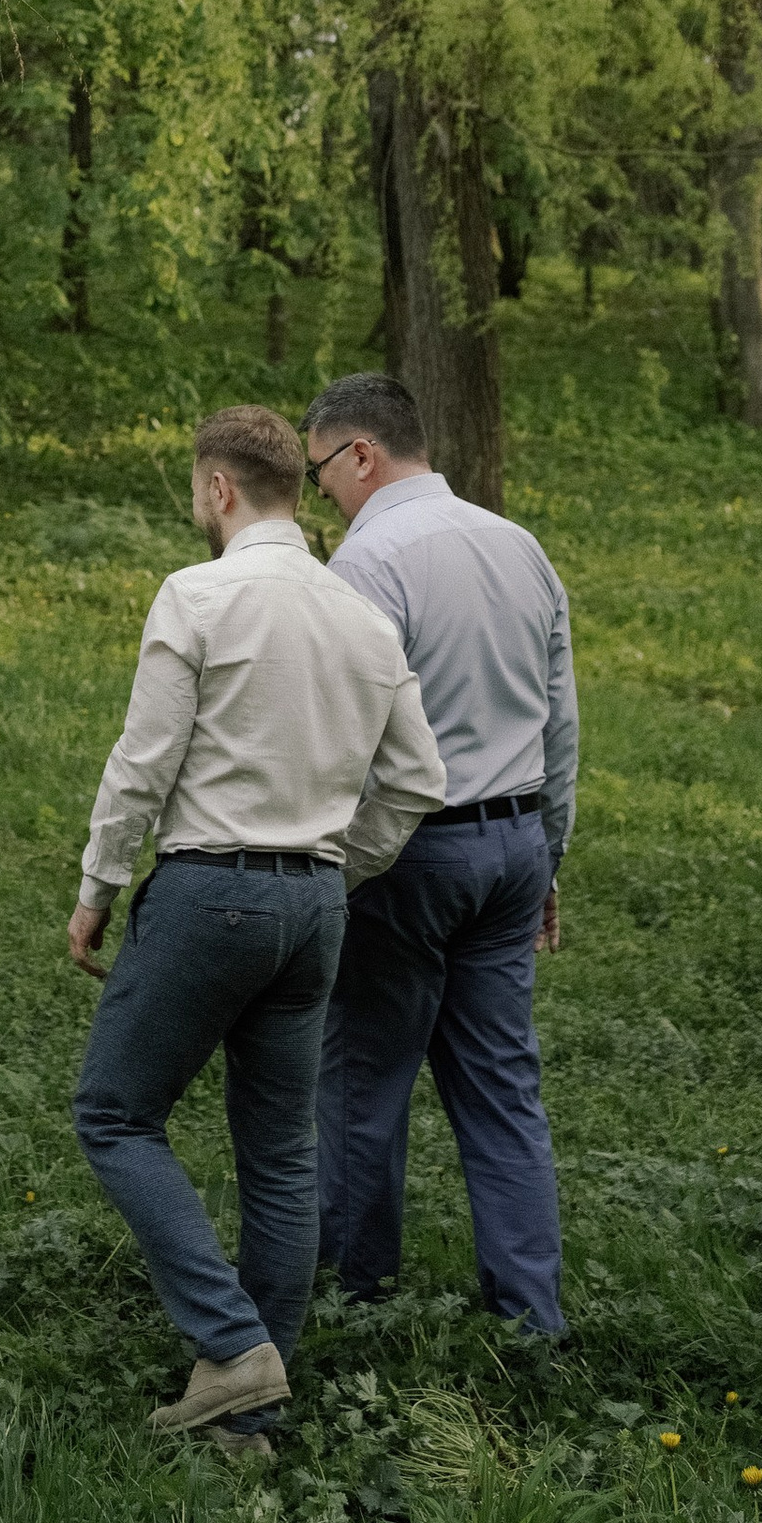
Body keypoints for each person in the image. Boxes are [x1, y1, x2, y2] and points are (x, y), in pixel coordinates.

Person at [69, 404, 444, 1454]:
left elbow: (142, 766)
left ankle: (232, 1346)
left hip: (210, 891)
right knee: (280, 1153)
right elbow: (419, 778)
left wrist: (98, 885)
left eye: (196, 491)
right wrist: (338, 860)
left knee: (112, 1112)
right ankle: (255, 1414)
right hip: (315, 906)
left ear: (220, 490)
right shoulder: (362, 618)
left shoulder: (199, 594)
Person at [304, 370, 577, 1341]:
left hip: (408, 855)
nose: (320, 498)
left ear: (362, 455)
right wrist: (547, 857)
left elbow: (347, 738)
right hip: (511, 848)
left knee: (361, 1083)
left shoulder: (366, 567)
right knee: (503, 1091)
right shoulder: (520, 547)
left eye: (320, 475)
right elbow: (560, 723)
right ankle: (529, 1319)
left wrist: (331, 870)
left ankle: (354, 1302)